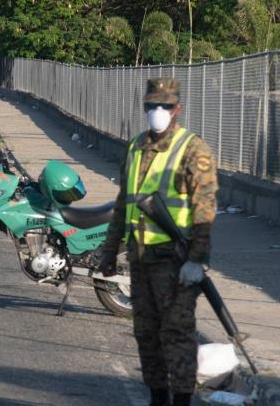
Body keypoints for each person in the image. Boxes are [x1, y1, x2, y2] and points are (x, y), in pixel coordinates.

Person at [99, 78, 218, 406]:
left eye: (164, 106)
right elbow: (124, 202)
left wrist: (197, 259)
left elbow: (204, 207)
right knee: (146, 334)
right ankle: (157, 398)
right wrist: (109, 252)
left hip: (175, 262)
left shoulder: (193, 149)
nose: (158, 112)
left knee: (177, 335)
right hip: (140, 258)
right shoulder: (136, 146)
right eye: (152, 106)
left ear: (177, 108)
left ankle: (182, 400)